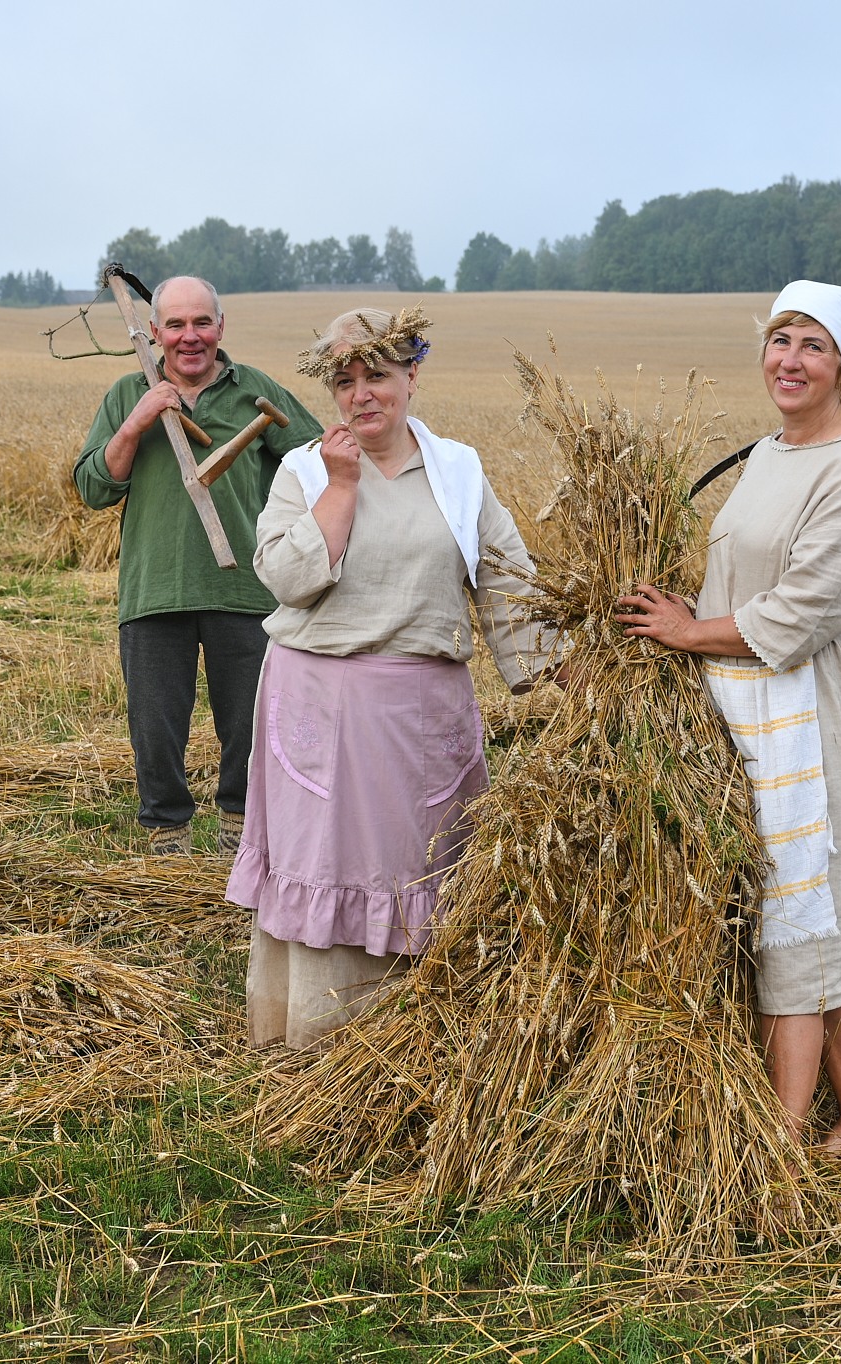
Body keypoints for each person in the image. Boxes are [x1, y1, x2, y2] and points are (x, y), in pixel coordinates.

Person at [616, 280, 841, 1152]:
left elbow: (807, 608)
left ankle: (776, 1141)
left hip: (804, 708)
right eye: (781, 340)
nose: (791, 360)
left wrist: (687, 631)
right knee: (807, 910)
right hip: (739, 696)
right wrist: (683, 613)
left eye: (814, 346)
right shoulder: (770, 452)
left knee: (800, 908)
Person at [229, 306, 548, 1050]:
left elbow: (506, 580)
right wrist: (340, 487)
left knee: (420, 863)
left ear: (412, 374)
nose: (361, 394)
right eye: (345, 381)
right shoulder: (303, 470)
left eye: (377, 375)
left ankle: (414, 1037)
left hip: (420, 714)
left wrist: (560, 672)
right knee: (325, 862)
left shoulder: (459, 472)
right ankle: (318, 1036)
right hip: (319, 705)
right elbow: (287, 579)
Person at [74, 277, 323, 854]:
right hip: (155, 588)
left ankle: (243, 826)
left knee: (249, 722)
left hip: (246, 590)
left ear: (220, 327)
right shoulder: (126, 392)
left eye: (202, 323)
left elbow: (319, 463)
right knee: (156, 723)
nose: (191, 337)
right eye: (177, 325)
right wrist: (137, 422)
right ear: (156, 332)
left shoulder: (254, 389)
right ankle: (167, 833)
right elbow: (93, 488)